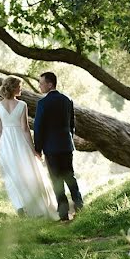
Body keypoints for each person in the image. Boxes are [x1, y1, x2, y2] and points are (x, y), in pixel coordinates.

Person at [0, 76, 57, 218]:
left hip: (5, 145)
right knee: (28, 174)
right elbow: (25, 129)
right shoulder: (22, 105)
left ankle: (20, 208)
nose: (22, 89)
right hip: (20, 142)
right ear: (13, 88)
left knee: (12, 177)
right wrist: (34, 151)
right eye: (20, 86)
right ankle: (34, 207)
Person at [33, 72, 83, 221]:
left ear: (50, 84)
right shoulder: (67, 100)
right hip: (67, 146)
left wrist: (38, 148)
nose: (39, 86)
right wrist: (68, 139)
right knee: (70, 176)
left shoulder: (43, 103)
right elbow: (72, 125)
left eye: (41, 83)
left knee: (57, 180)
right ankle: (79, 205)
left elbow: (38, 127)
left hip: (51, 148)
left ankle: (63, 214)